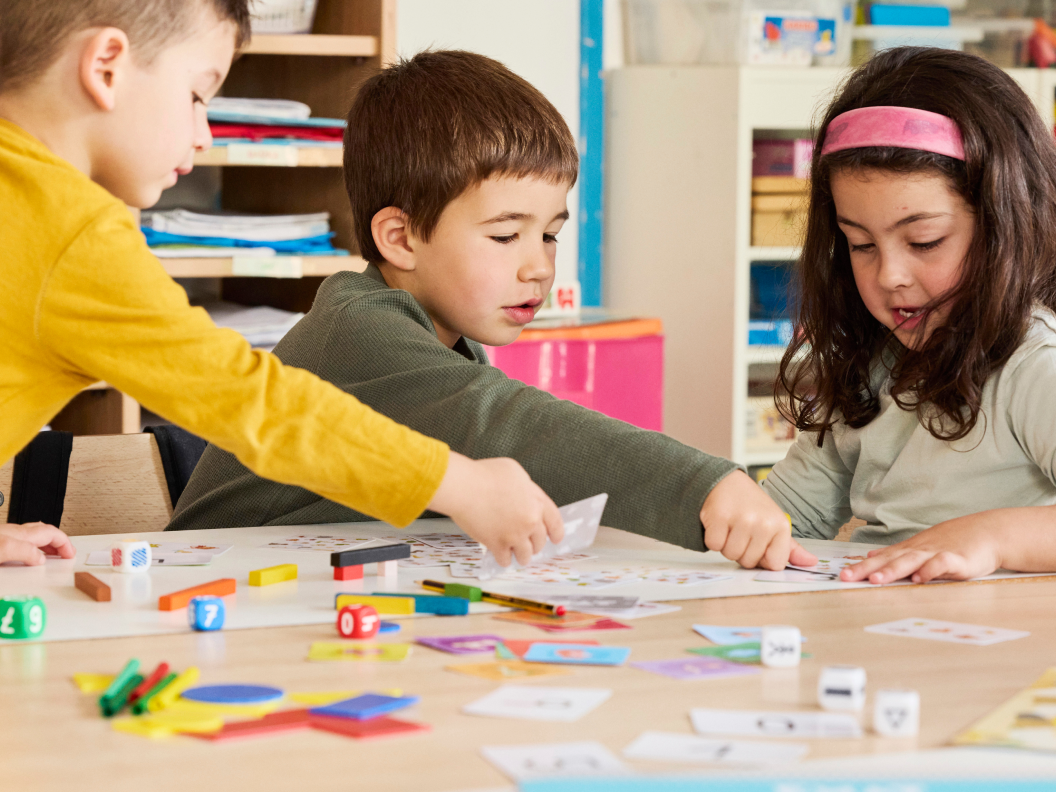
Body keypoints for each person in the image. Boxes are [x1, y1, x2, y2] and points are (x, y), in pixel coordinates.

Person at [169, 50, 816, 572]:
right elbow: (507, 423)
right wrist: (704, 485)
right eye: (506, 236)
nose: (537, 265)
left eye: (550, 234)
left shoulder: (437, 333)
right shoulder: (358, 329)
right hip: (212, 589)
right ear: (400, 238)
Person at [0, 1, 563, 567]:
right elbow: (248, 402)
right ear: (105, 67)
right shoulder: (71, 233)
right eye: (198, 96)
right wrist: (463, 485)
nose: (202, 136)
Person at [762, 47, 1056, 584]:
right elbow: (789, 516)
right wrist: (731, 511)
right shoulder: (872, 359)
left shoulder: (1035, 362)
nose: (888, 276)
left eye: (925, 241)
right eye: (860, 243)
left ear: (1004, 227)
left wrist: (992, 537)